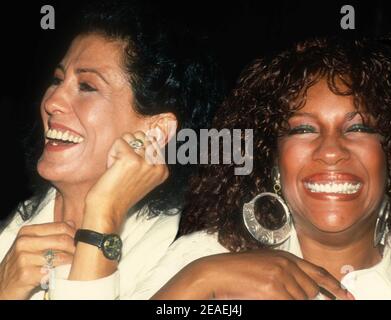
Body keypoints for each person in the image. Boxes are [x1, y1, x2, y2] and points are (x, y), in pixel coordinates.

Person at [133, 37, 391, 300]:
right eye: (303, 129)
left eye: (359, 128)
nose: (331, 151)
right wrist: (202, 280)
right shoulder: (208, 258)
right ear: (272, 160)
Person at [0, 0, 223, 300]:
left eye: (87, 86)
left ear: (155, 132)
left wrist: (103, 216)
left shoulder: (191, 255)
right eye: (57, 80)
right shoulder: (15, 227)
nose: (52, 101)